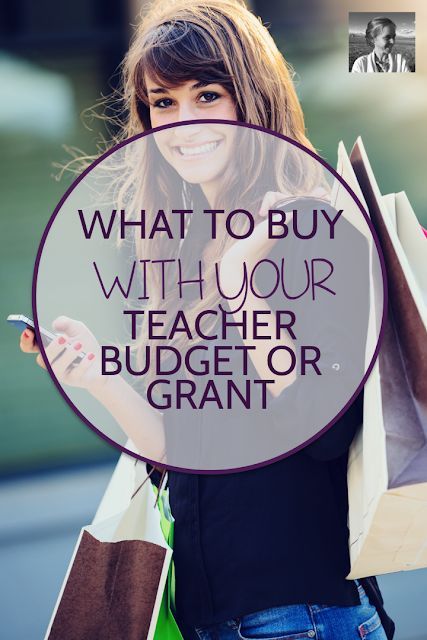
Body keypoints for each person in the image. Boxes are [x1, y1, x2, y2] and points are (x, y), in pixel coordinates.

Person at [20, 1, 395, 638]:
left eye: (207, 95)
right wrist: (98, 379)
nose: (182, 123)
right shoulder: (185, 248)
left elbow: (323, 428)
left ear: (253, 97)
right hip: (204, 614)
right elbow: (176, 447)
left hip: (299, 613)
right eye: (162, 103)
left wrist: (240, 288)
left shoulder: (310, 230)